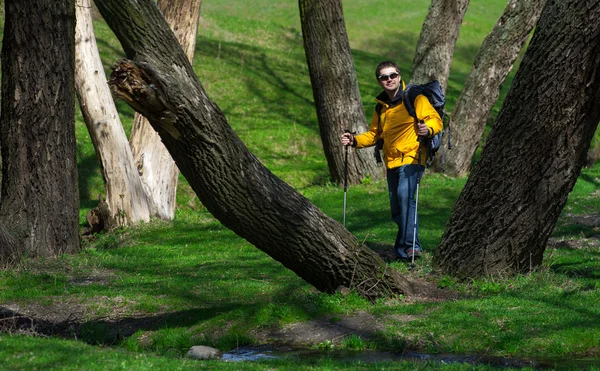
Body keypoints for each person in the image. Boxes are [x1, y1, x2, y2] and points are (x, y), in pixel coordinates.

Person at [341, 61, 442, 260]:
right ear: (379, 81)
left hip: (412, 156)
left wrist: (427, 129)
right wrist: (354, 140)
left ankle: (412, 246)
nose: (389, 79)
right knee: (397, 206)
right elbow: (374, 135)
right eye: (384, 77)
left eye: (392, 75)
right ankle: (401, 248)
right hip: (391, 161)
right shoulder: (382, 108)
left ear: (399, 75)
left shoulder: (415, 97)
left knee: (405, 198)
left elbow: (434, 119)